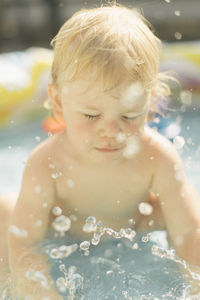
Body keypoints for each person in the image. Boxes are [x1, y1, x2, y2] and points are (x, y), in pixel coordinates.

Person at [2, 4, 200, 299]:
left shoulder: (157, 157)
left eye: (129, 116)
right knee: (5, 213)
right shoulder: (47, 162)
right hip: (62, 230)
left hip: (136, 225)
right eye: (91, 116)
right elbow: (27, 243)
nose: (111, 131)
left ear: (152, 101)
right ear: (58, 103)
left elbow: (188, 234)